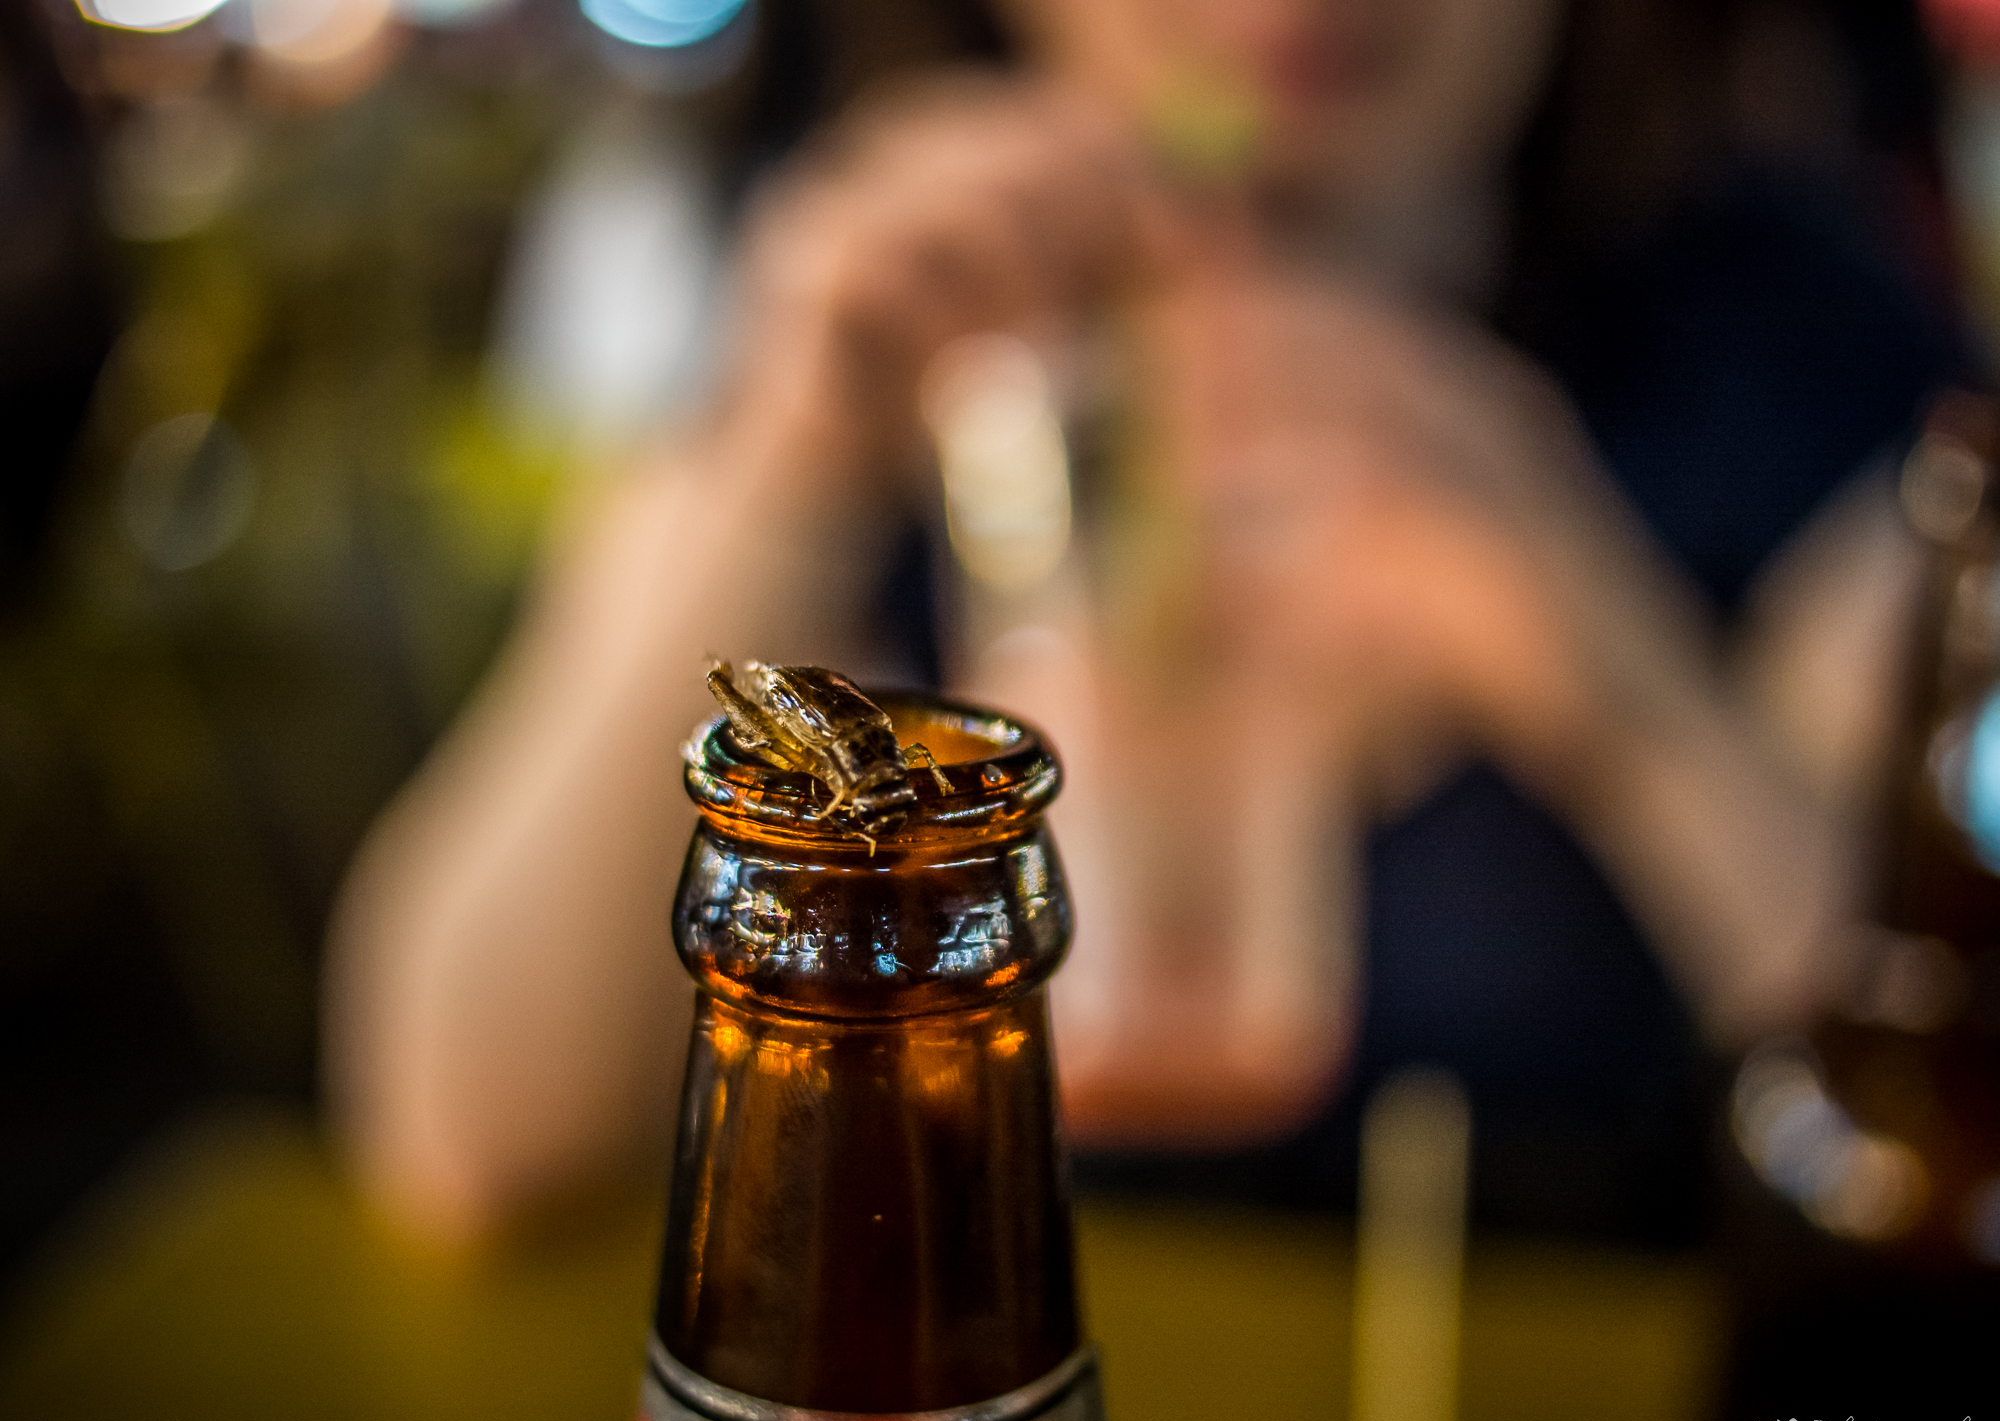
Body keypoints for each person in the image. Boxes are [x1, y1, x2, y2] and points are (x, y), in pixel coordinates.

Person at [326, 0, 1967, 1245]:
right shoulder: (865, 350)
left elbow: (1942, 1142)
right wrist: (783, 475)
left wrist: (1622, 684)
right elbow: (467, 1139)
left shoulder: (1800, 360)